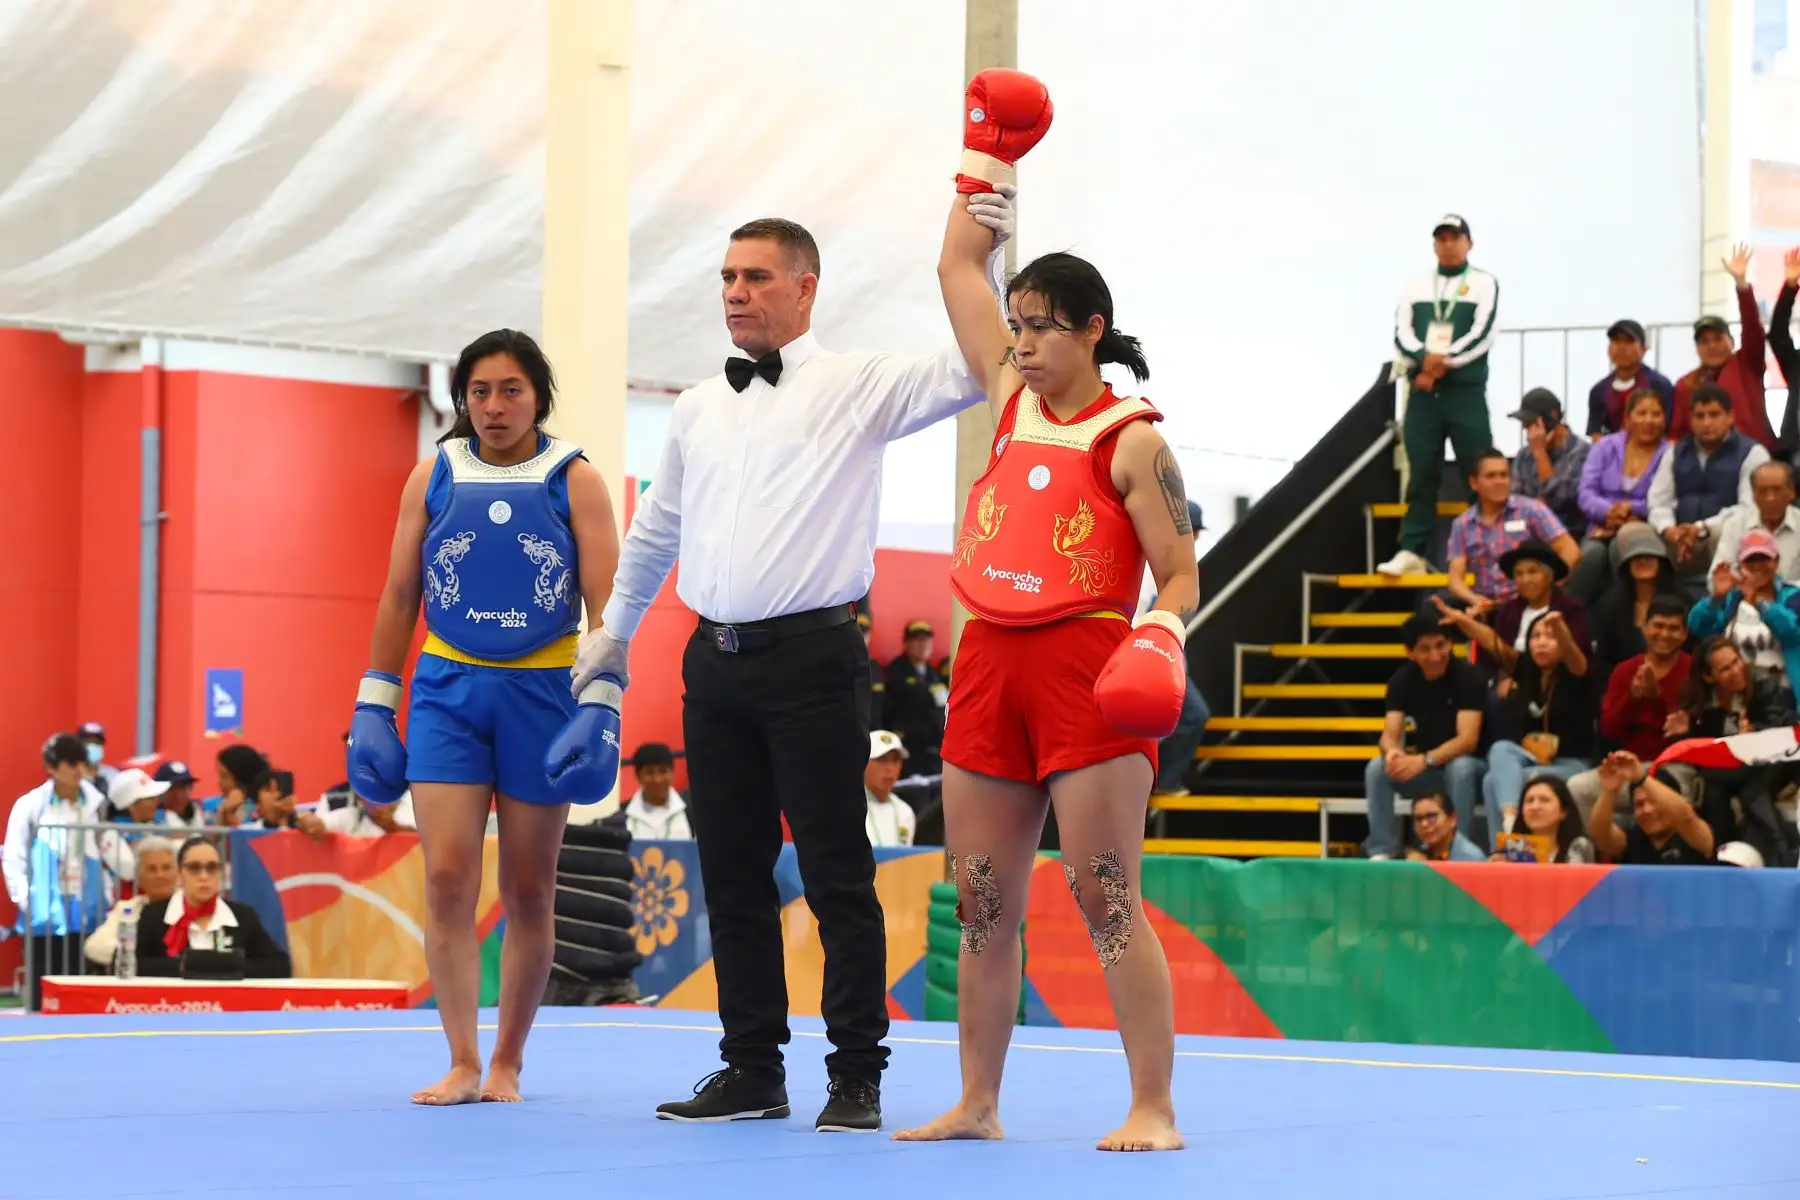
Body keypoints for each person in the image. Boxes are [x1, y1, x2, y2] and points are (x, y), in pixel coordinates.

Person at [569, 179, 1019, 1129]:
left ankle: (856, 1073)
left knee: (833, 872)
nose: (736, 292)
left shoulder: (860, 385)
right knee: (730, 871)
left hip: (815, 662)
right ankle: (751, 1069)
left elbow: (982, 359)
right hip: (713, 664)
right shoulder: (696, 406)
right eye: (727, 276)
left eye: (757, 276)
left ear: (806, 289)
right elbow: (655, 532)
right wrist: (612, 634)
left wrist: (986, 249)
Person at [895, 72, 1194, 1154]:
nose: (1021, 343)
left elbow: (1183, 576)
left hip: (1088, 678)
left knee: (1109, 901)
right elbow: (954, 265)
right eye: (1016, 326)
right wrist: (986, 160)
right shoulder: (1009, 397)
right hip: (985, 671)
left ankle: (1152, 1106)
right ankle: (977, 1101)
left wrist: (1158, 641)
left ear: (1095, 331)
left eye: (1043, 329)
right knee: (981, 906)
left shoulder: (1134, 440)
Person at [346, 328, 623, 1106]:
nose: (494, 407)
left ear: (539, 396)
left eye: (510, 390)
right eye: (479, 392)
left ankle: (508, 1060)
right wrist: (375, 700)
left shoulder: (578, 481)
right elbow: (401, 595)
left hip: (543, 694)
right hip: (447, 690)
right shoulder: (431, 474)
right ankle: (463, 1059)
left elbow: (608, 603)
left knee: (531, 887)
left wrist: (603, 701)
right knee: (445, 875)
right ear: (461, 399)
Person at [1378, 213, 1500, 577]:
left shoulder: (1483, 282)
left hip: (1463, 391)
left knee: (1477, 469)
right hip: (1424, 394)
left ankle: (1487, 546)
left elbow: (1484, 332)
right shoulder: (1417, 283)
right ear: (1435, 244)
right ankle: (1412, 550)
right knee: (1422, 472)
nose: (1448, 244)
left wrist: (1442, 363)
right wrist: (1424, 360)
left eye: (1455, 238)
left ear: (1469, 243)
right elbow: (1401, 332)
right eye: (1442, 238)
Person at [3, 734, 108, 1009]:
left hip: (86, 905)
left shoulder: (96, 804)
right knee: (44, 987)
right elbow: (14, 855)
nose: (77, 769)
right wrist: (25, 898)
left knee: (84, 987)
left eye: (81, 762)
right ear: (51, 768)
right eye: (69, 763)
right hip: (45, 908)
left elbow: (106, 848)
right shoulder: (30, 805)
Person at [135, 837, 291, 978]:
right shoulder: (154, 915)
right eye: (194, 868)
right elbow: (133, 964)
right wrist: (187, 966)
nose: (204, 877)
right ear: (180, 873)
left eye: (212, 868)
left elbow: (279, 966)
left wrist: (226, 966)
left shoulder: (242, 916)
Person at [622, 743, 691, 841]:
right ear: (638, 776)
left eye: (663, 771)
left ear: (672, 772)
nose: (657, 780)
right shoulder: (622, 815)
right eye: (649, 772)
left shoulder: (692, 811)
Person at [864, 730, 916, 848]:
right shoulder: (847, 809)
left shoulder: (905, 812)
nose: (889, 768)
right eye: (882, 760)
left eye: (895, 760)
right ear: (864, 762)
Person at [1402, 792, 1484, 862]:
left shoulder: (1470, 858)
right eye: (1418, 818)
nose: (1424, 824)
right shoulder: (1417, 852)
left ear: (1453, 819)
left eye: (1431, 816)